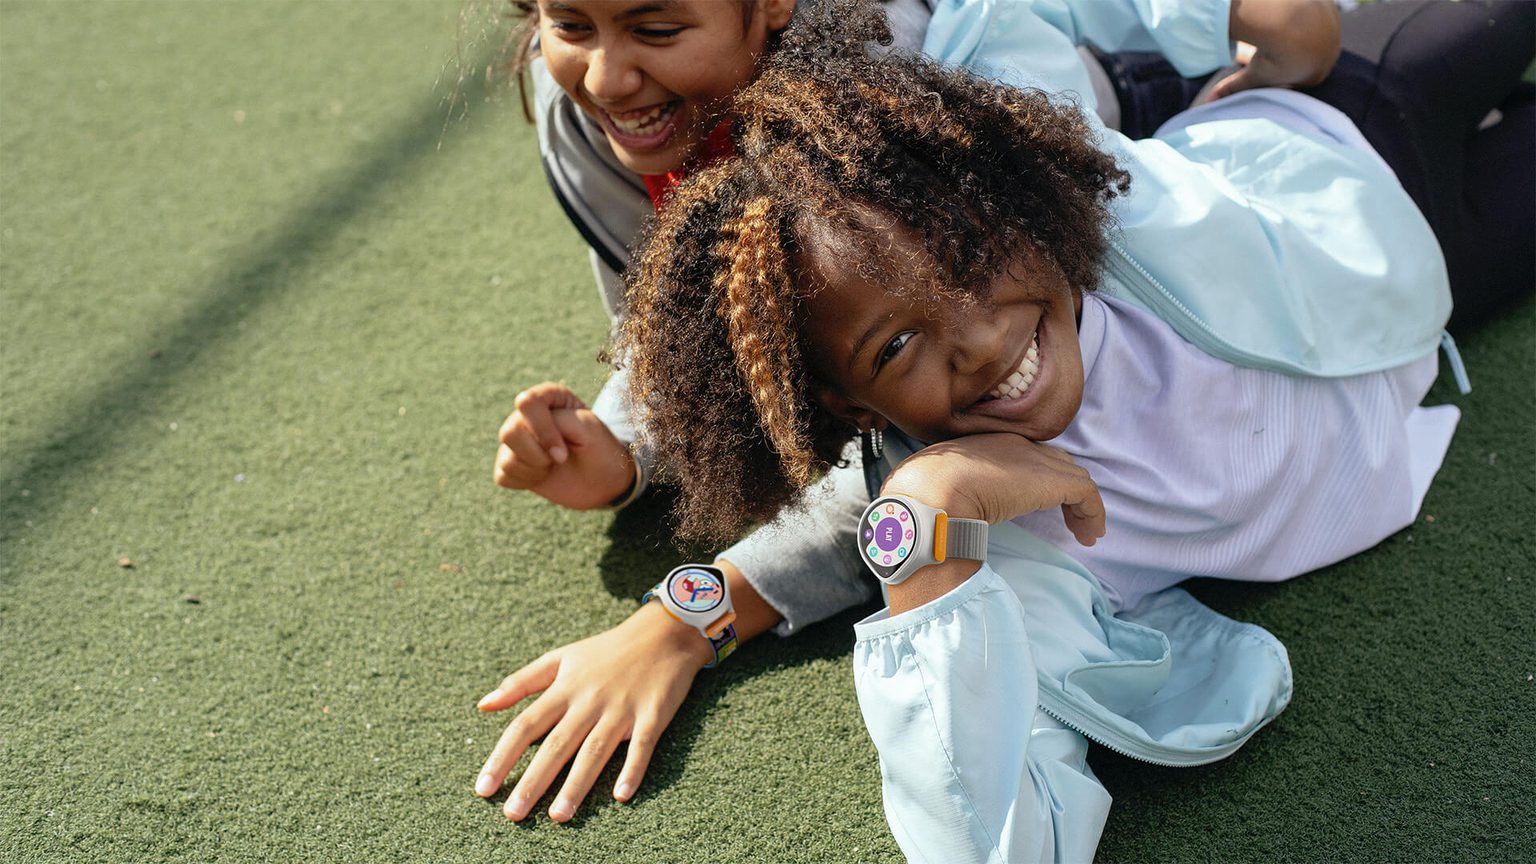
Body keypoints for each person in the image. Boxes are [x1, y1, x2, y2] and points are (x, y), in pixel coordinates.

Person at [614, 0, 1532, 859]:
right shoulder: (1005, 555)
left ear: (1013, 197)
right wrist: (928, 537)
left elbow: (1005, 15)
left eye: (969, 253)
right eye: (895, 345)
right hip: (1440, 281)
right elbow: (1003, 839)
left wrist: (1245, 18)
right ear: (853, 410)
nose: (978, 338)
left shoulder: (1070, 194)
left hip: (1341, 119)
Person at [473, 0, 1345, 825]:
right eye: (571, 23)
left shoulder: (896, 82)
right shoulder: (588, 113)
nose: (608, 76)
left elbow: (914, 451)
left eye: (657, 26)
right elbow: (693, 342)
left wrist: (691, 617)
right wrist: (624, 446)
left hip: (1189, 128)